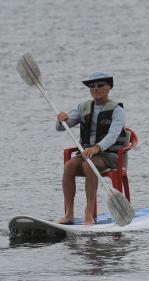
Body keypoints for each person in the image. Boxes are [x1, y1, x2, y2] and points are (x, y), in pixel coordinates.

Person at [56, 72, 126, 225]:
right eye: (92, 86)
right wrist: (61, 120)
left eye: (100, 85)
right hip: (87, 153)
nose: (96, 89)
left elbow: (113, 135)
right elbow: (61, 128)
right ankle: (69, 214)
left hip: (110, 156)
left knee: (89, 165)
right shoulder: (83, 107)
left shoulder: (117, 110)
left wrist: (96, 148)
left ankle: (89, 213)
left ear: (109, 87)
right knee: (69, 166)